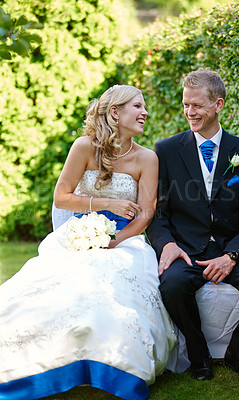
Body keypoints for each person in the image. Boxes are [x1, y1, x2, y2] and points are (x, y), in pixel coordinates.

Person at [0, 85, 176, 400]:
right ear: (115, 112)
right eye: (137, 106)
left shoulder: (147, 158)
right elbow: (62, 197)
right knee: (51, 287)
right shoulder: (83, 147)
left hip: (127, 240)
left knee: (110, 288)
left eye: (144, 106)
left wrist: (115, 241)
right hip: (79, 236)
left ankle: (111, 365)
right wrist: (106, 205)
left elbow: (146, 214)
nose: (144, 112)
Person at [146, 68, 239, 381]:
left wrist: (233, 256)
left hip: (231, 248)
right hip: (187, 250)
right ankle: (198, 358)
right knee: (172, 286)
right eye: (186, 104)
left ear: (218, 105)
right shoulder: (167, 151)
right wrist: (167, 244)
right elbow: (157, 213)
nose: (190, 112)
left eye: (197, 105)